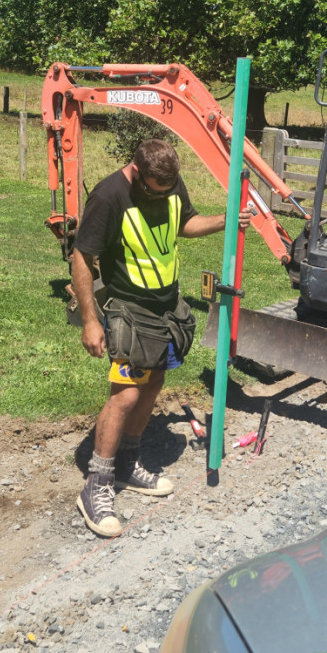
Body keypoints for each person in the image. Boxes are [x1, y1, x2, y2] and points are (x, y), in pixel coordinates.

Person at [72, 138, 251, 537]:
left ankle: (126, 465)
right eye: (154, 188)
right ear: (136, 171)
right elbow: (81, 257)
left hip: (166, 307)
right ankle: (95, 486)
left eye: (167, 189)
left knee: (154, 383)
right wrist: (90, 320)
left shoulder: (169, 183)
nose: (162, 194)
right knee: (127, 393)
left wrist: (225, 219)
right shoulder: (108, 196)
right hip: (128, 310)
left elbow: (184, 223)